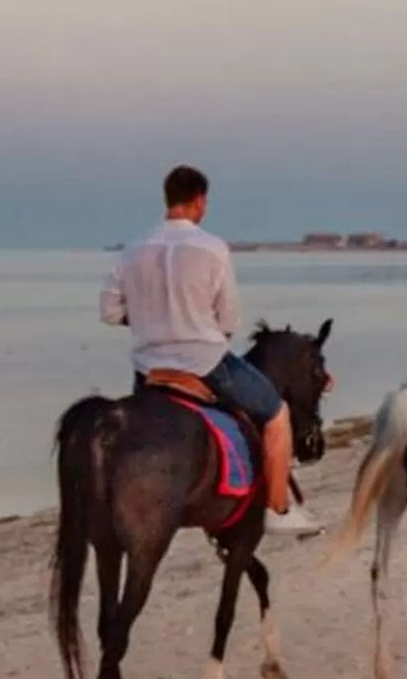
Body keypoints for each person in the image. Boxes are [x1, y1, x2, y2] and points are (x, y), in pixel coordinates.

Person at [102, 168, 322, 536]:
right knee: (276, 414)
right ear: (199, 200)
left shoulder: (133, 248)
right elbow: (229, 318)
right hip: (203, 362)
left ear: (168, 198)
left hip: (148, 368)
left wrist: (150, 320)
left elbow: (109, 312)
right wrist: (197, 327)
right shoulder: (211, 247)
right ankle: (278, 508)